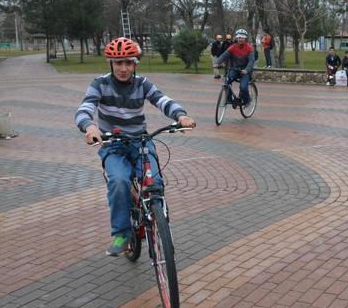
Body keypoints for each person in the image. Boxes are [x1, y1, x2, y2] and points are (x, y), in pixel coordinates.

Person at [74, 37, 196, 256]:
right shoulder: (100, 84)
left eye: (128, 63)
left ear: (135, 64)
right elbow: (85, 108)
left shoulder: (142, 84)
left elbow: (162, 100)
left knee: (155, 183)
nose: (123, 68)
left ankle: (160, 225)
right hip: (113, 145)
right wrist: (90, 126)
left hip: (140, 142)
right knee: (120, 181)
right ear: (111, 63)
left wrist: (181, 115)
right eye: (118, 63)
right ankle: (122, 233)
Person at [216, 29, 255, 105]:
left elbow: (251, 61)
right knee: (227, 82)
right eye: (239, 37)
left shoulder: (249, 48)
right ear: (237, 38)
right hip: (235, 69)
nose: (241, 39)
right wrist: (217, 63)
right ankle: (229, 98)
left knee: (243, 87)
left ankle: (247, 101)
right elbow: (224, 55)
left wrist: (247, 70)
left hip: (245, 71)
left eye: (243, 38)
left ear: (245, 39)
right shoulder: (233, 47)